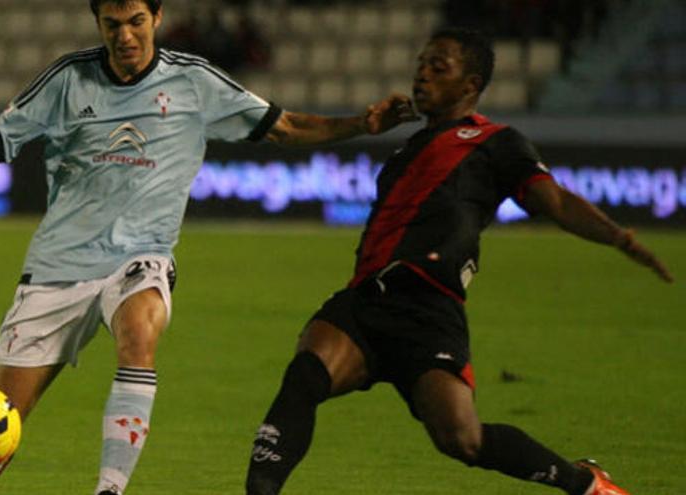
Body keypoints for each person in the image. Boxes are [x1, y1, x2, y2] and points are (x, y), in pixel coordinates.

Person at [0, 1, 411, 494]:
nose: (125, 36)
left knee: (138, 332)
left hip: (140, 256)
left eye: (135, 22)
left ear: (156, 17)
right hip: (57, 267)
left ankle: (109, 489)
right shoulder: (68, 79)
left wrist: (362, 125)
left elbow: (284, 127)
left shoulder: (194, 82)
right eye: (113, 25)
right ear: (99, 24)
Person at [244, 27, 673, 495]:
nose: (422, 75)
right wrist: (368, 122)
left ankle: (586, 484)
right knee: (305, 373)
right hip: (366, 302)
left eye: (438, 67)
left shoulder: (496, 142)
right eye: (421, 65)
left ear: (470, 84)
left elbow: (556, 202)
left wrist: (620, 238)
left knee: (462, 440)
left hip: (430, 307)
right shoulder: (405, 149)